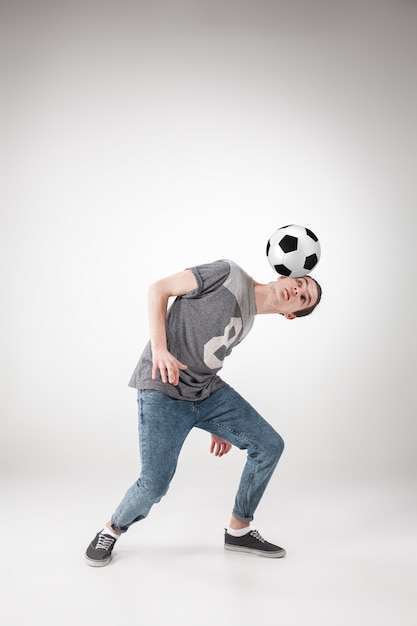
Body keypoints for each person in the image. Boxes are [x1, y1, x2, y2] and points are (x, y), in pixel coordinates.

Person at [85, 259, 322, 566]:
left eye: (304, 298)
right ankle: (112, 529)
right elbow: (159, 289)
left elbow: (208, 360)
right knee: (155, 484)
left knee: (269, 446)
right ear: (284, 276)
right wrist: (159, 348)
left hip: (205, 391)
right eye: (300, 283)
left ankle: (239, 531)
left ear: (290, 315)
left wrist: (215, 423)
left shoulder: (247, 321)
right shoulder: (228, 274)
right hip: (163, 387)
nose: (297, 290)